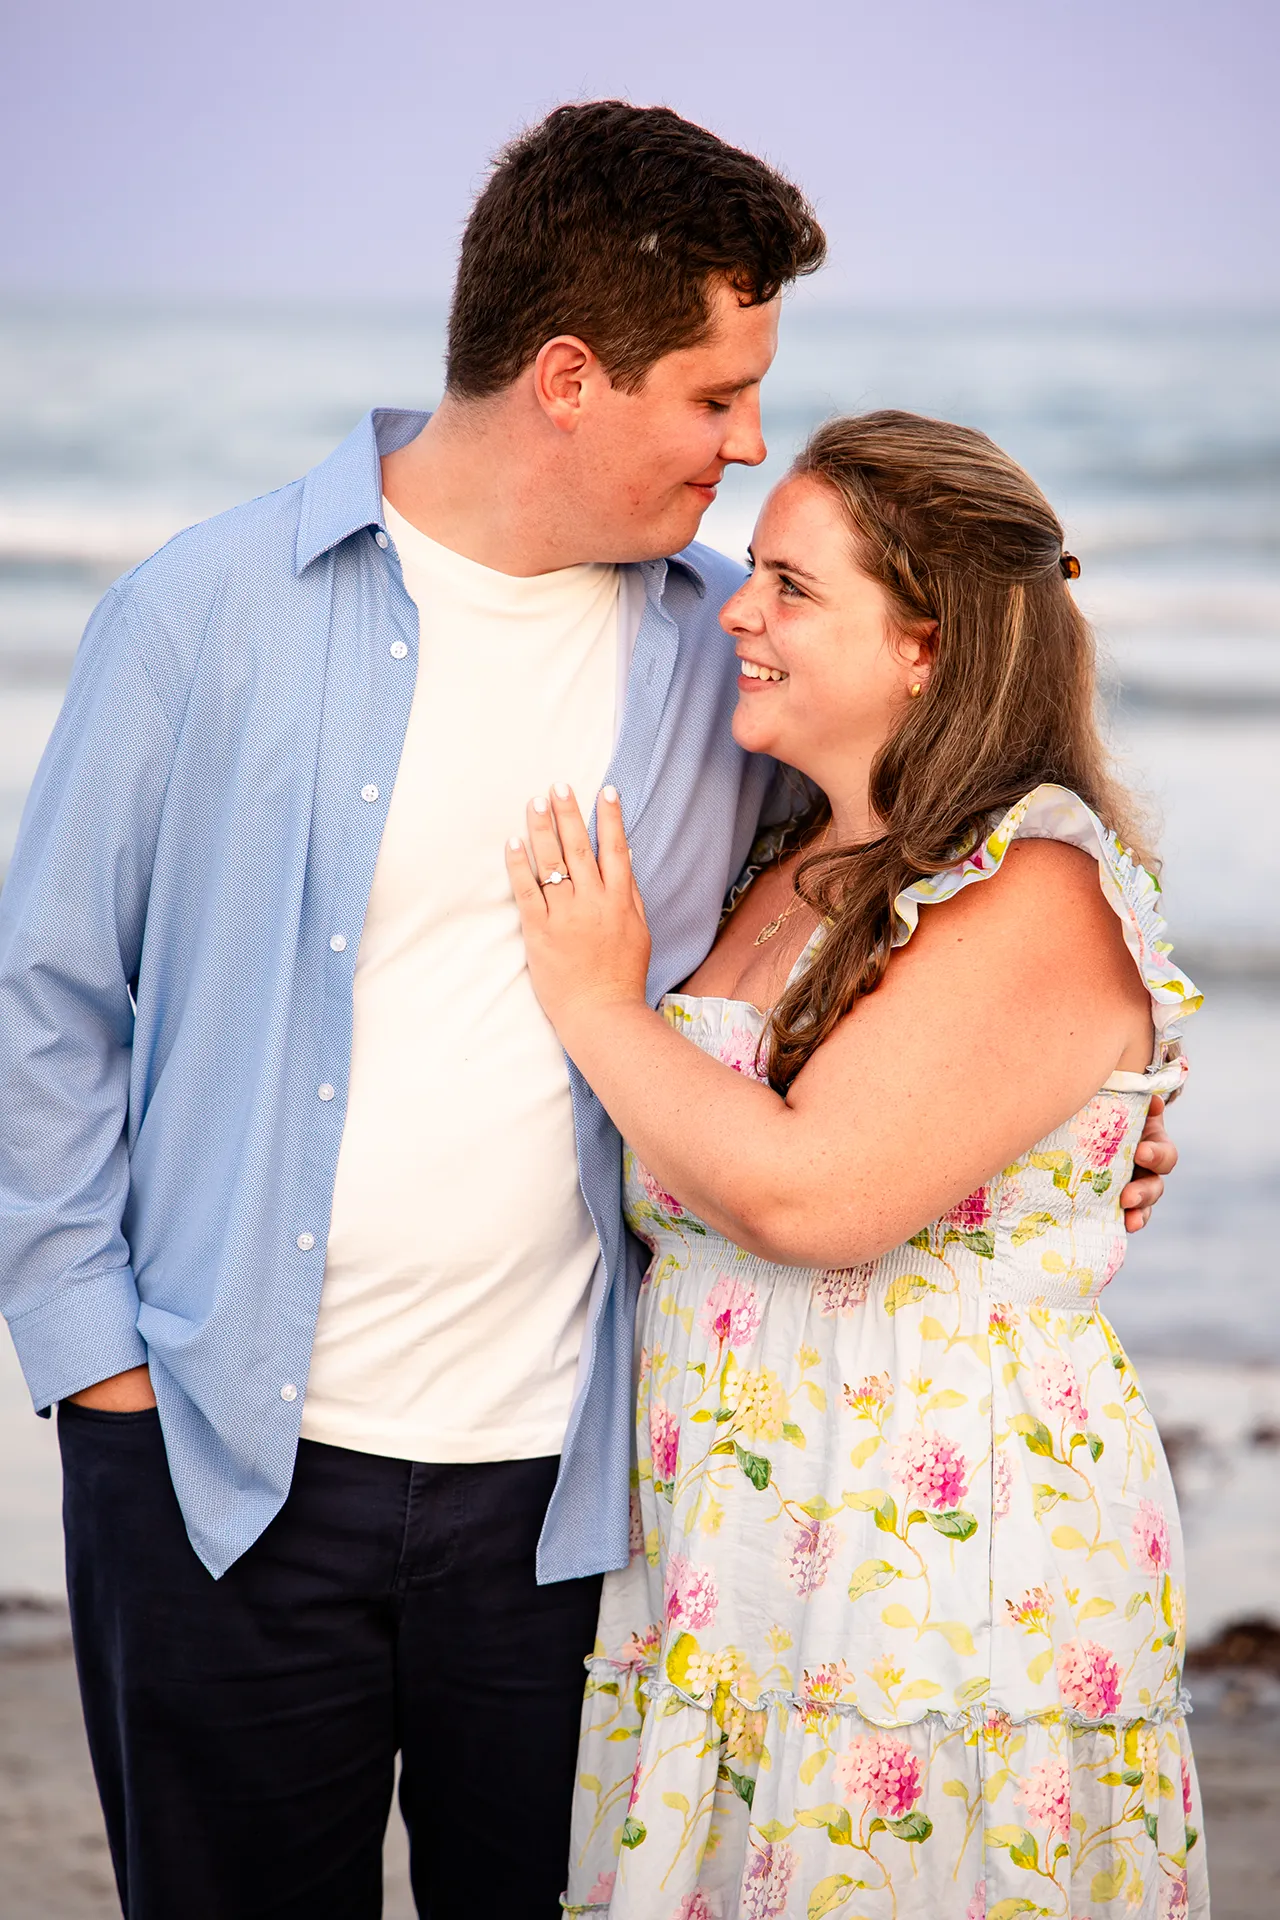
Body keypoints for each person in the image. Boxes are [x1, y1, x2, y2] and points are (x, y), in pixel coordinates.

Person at [0, 106, 1175, 1919]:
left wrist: (1086, 1130)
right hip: (220, 1464)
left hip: (582, 1507)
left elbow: (914, 938)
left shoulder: (731, 660)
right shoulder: (203, 616)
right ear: (568, 376)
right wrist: (101, 1375)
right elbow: (50, 1002)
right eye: (716, 397)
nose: (748, 441)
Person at [508, 411, 1207, 1919]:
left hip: (932, 1577)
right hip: (737, 1543)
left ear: (926, 646)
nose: (735, 614)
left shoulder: (1033, 884)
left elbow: (811, 1197)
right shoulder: (786, 858)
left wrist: (591, 1001)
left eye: (789, 587)